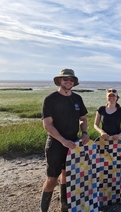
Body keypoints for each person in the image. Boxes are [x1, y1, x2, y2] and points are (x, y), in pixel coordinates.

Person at [40, 68, 90, 212]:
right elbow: (47, 124)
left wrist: (85, 132)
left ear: (74, 82)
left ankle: (65, 208)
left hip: (73, 144)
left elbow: (83, 118)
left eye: (71, 79)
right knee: (51, 179)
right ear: (60, 81)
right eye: (65, 79)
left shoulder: (77, 98)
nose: (68, 81)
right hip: (56, 144)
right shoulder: (50, 99)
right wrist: (62, 140)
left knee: (67, 177)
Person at [94, 88, 121, 201]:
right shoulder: (101, 109)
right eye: (109, 96)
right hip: (103, 142)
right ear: (106, 97)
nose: (111, 98)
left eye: (113, 96)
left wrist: (120, 135)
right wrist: (101, 132)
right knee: (103, 166)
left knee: (117, 167)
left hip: (117, 142)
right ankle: (103, 191)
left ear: (117, 98)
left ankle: (119, 191)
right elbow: (95, 125)